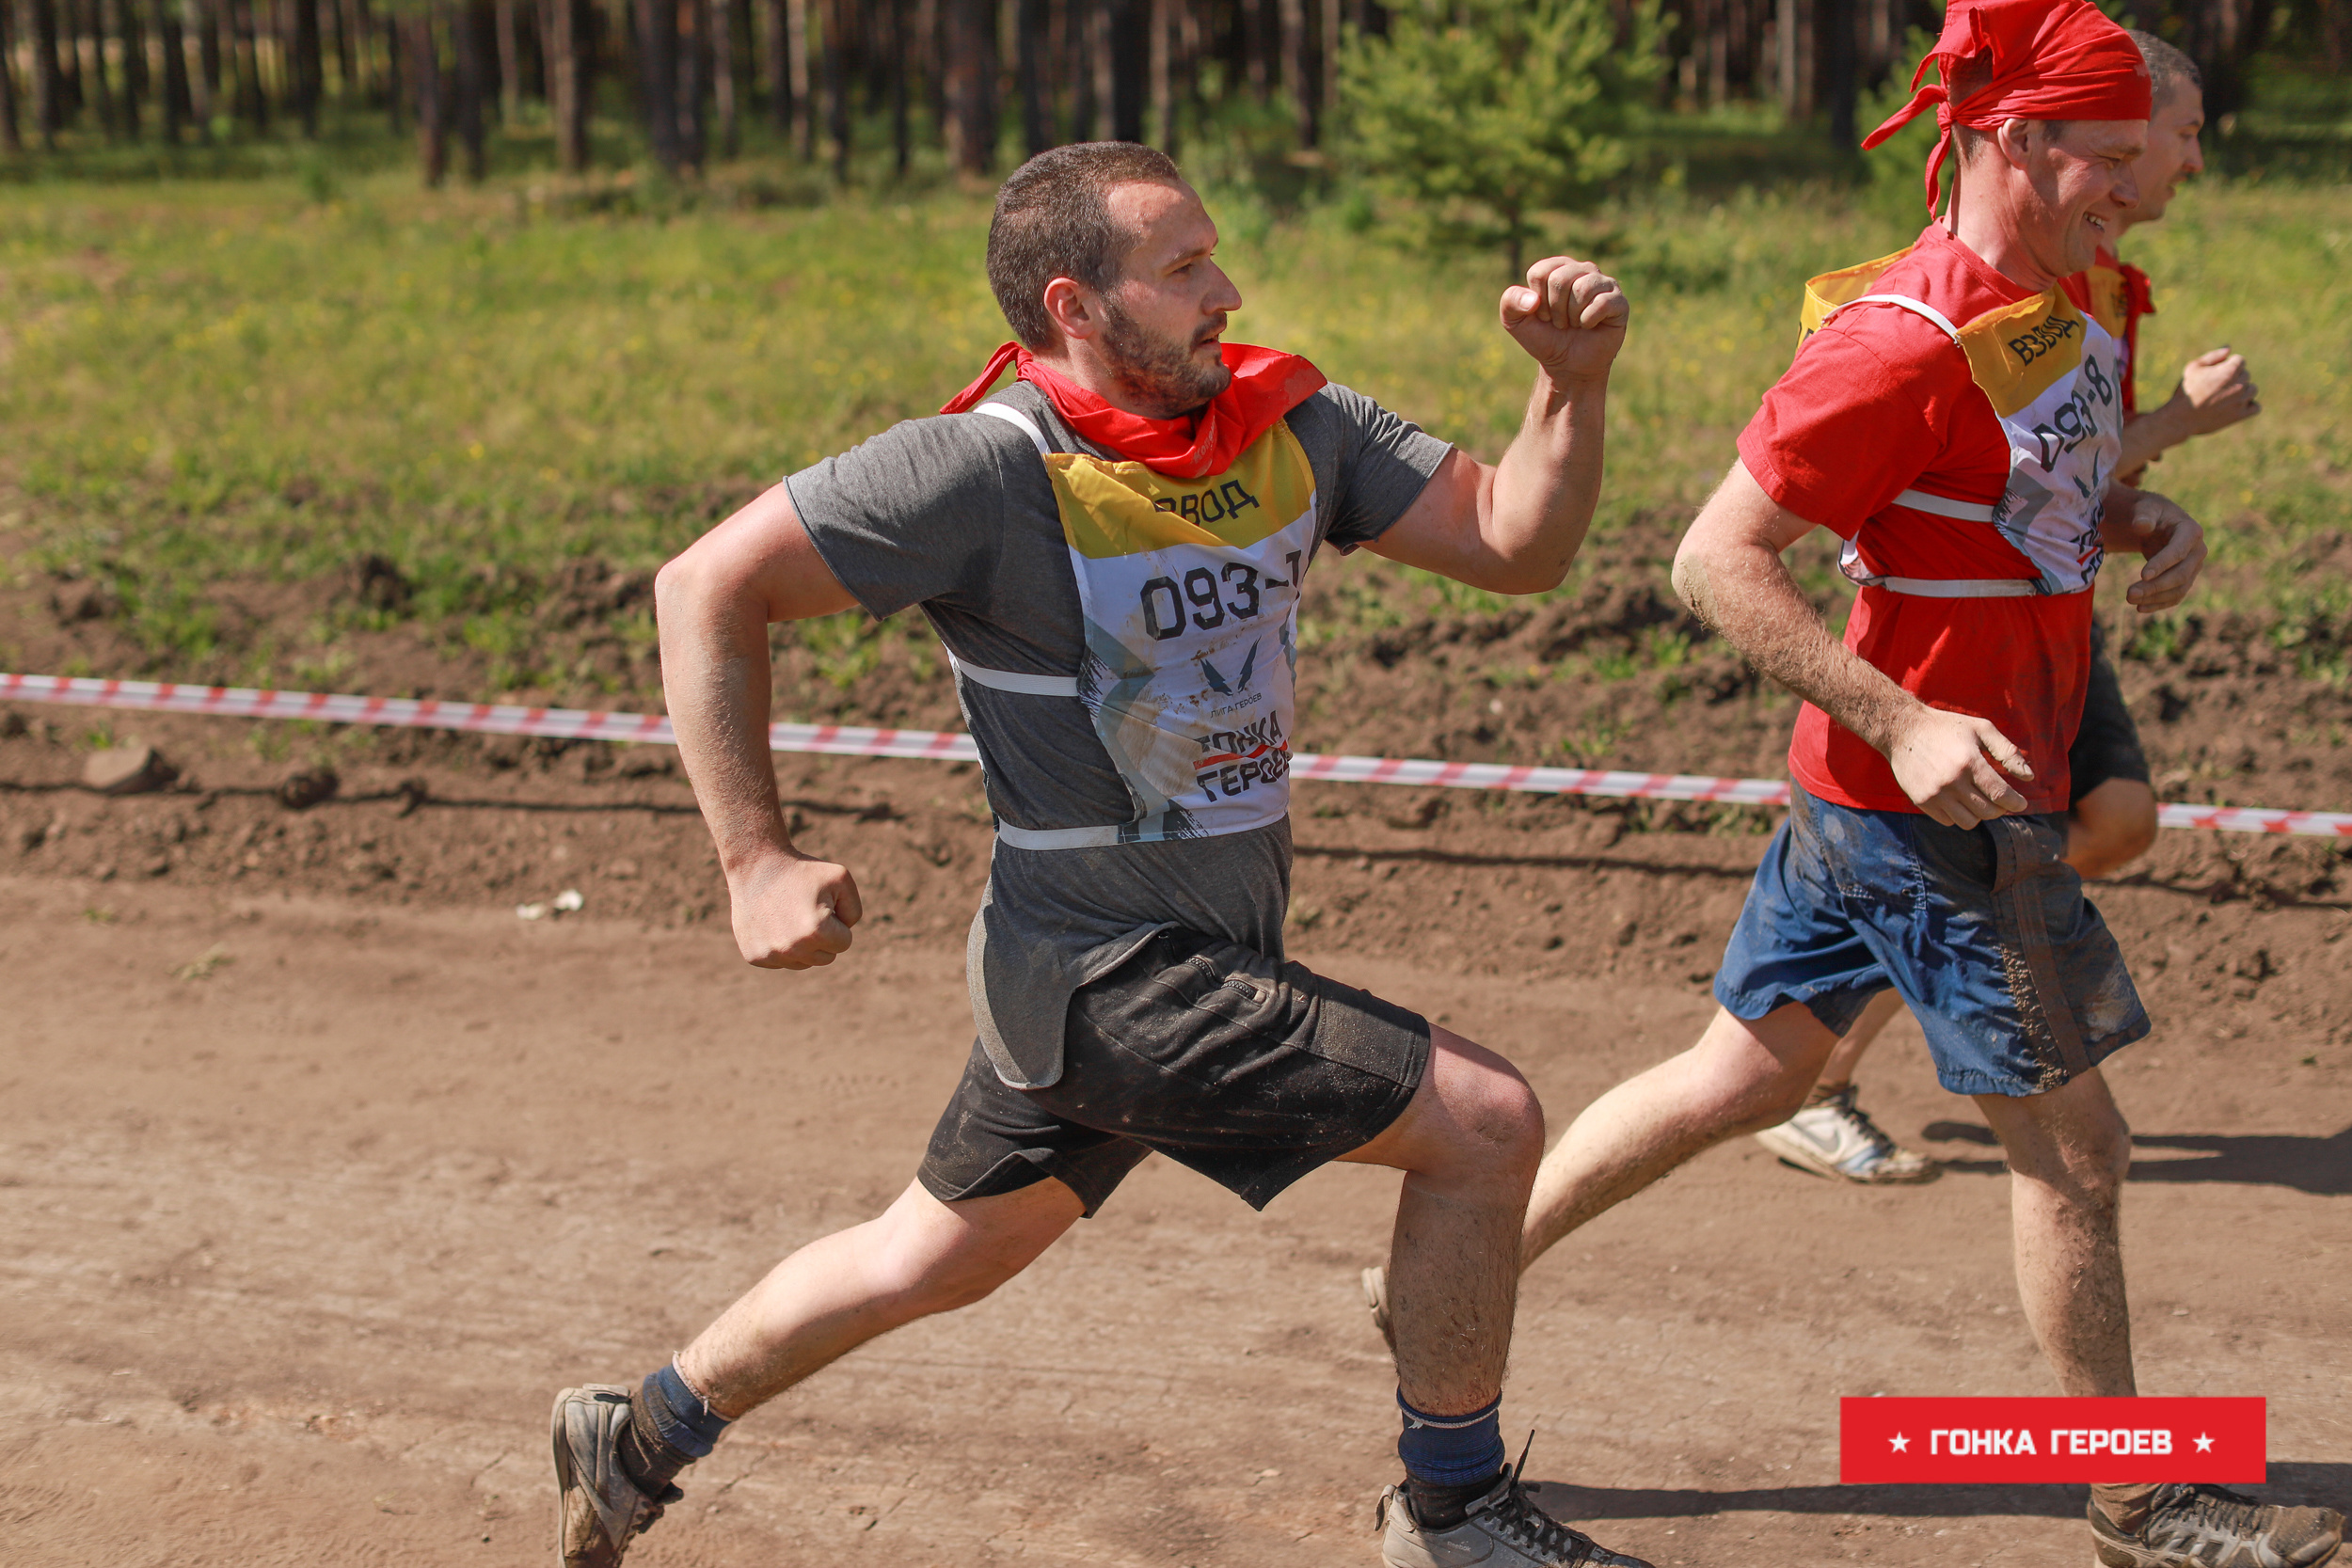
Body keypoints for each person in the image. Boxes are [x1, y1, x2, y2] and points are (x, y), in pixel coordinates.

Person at [550, 142, 1654, 1568]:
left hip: (1158, 960)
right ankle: (1453, 1512)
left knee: (932, 1251)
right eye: (1182, 268)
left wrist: (1569, 387)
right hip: (1105, 973)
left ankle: (639, 1429)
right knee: (1486, 1122)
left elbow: (1514, 541)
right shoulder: (981, 465)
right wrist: (752, 857)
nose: (1226, 289)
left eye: (1214, 254)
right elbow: (704, 583)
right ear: (1074, 304)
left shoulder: (1287, 422)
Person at [1376, 3, 2345, 1563]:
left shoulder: (2064, 294)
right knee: (2079, 1153)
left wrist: (2137, 518)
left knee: (1744, 1078)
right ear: (2015, 140)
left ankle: (1437, 1277)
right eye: (2110, 157)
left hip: (1898, 791)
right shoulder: (1897, 341)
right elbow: (1715, 558)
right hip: (1933, 809)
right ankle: (2141, 1498)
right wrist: (1903, 721)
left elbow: (2024, 497)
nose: (2138, 186)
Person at [1749, 25, 2265, 1189]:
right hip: (1971, 633)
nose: (2187, 162)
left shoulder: (2094, 275)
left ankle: (1837, 1046)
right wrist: (2177, 424)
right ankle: (1839, 1063)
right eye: (2173, 135)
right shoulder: (1981, 293)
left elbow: (2059, 472)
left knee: (2115, 820)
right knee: (2076, 1145)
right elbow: (1750, 541)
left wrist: (2149, 512)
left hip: (2051, 609)